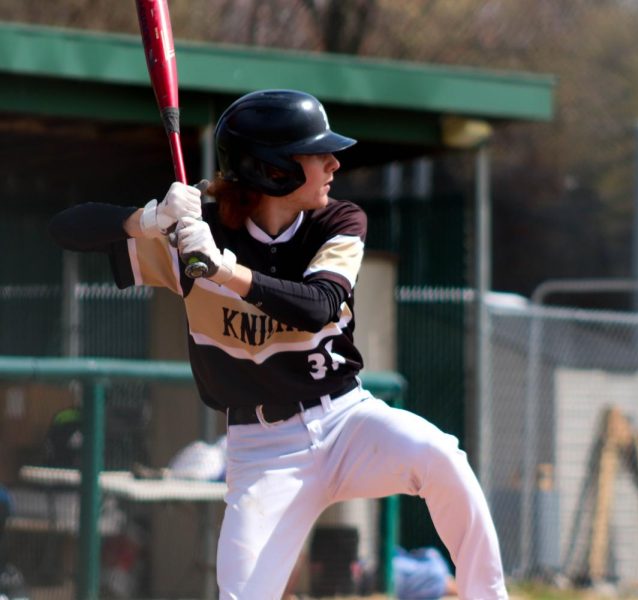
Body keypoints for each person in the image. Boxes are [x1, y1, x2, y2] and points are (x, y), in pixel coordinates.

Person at [48, 89, 507, 599]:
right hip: (262, 449)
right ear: (274, 171)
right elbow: (66, 228)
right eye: (316, 153)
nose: (334, 162)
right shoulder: (193, 229)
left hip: (345, 420)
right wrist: (146, 220)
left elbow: (318, 306)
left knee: (442, 458)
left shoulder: (337, 221)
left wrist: (224, 269)